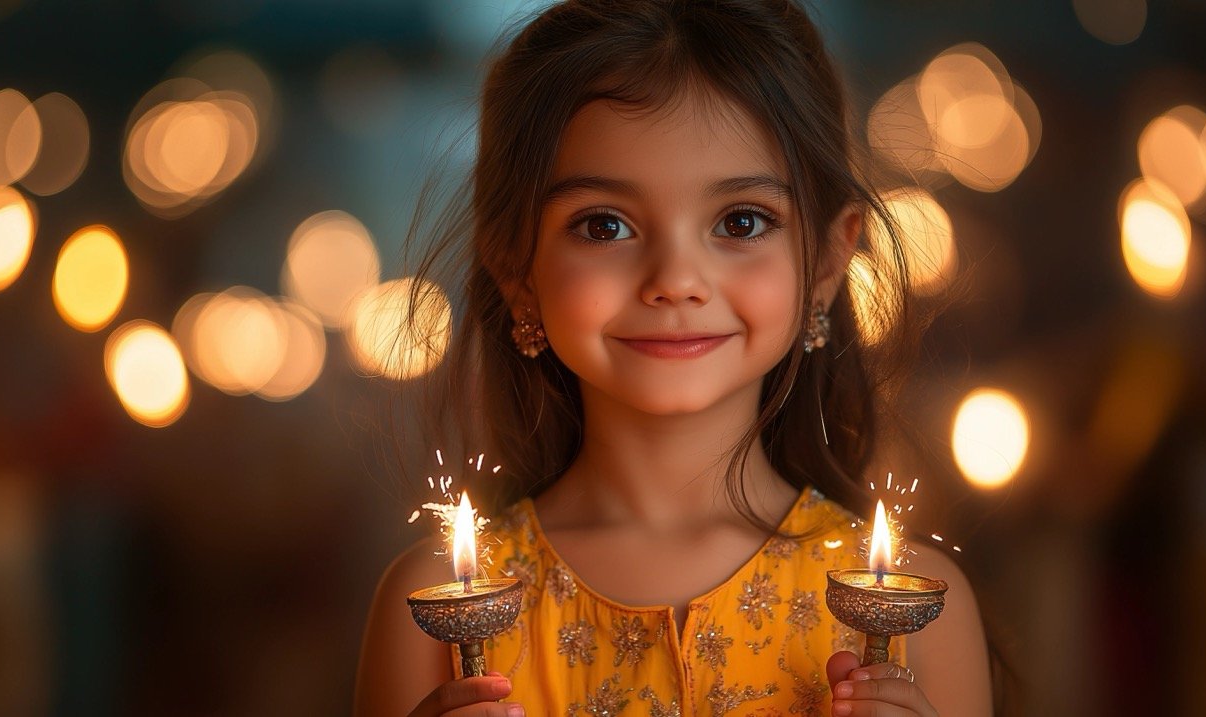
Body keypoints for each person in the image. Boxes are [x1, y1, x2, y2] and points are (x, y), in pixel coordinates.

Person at [355, 1, 991, 715]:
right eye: (605, 225)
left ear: (827, 258)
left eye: (740, 221)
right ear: (515, 265)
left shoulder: (917, 614)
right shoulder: (435, 612)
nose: (675, 280)